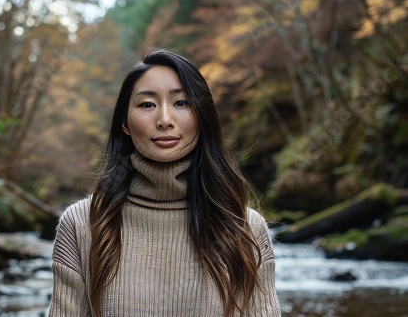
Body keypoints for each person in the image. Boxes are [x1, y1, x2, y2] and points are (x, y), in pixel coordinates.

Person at [48, 49, 281, 317]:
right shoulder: (82, 224)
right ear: (125, 123)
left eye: (181, 103)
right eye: (147, 104)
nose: (165, 120)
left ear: (202, 117)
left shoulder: (244, 227)